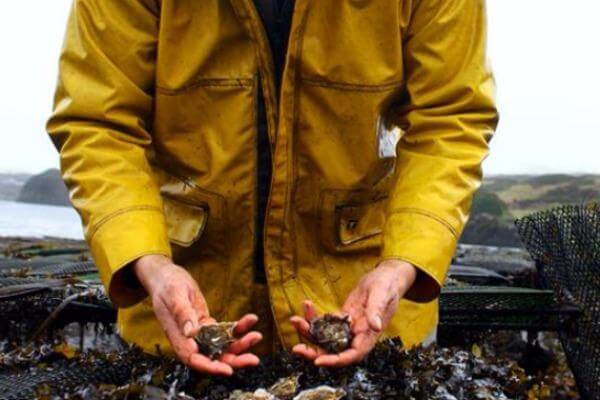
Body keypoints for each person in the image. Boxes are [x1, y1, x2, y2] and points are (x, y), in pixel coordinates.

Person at [47, 0, 498, 376]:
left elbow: (451, 121)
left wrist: (404, 263)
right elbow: (98, 124)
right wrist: (147, 261)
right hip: (178, 310)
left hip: (372, 304)